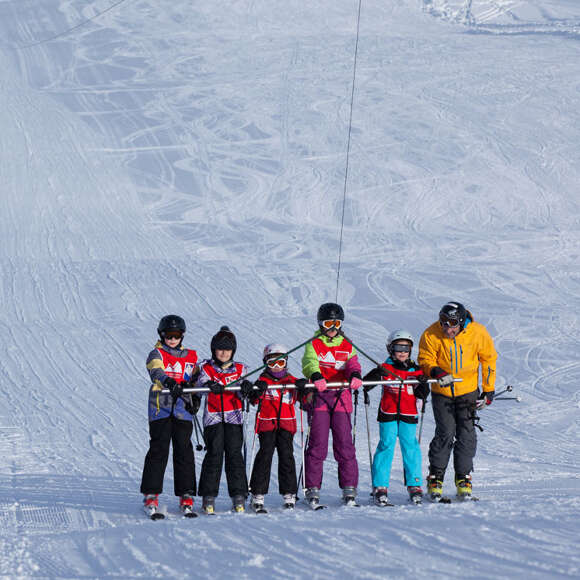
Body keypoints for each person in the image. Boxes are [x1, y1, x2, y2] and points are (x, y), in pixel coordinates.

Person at [418, 301, 497, 500]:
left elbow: (488, 359)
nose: (447, 328)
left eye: (452, 323)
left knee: (466, 433)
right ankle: (436, 475)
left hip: (467, 391)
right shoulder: (431, 333)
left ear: (461, 322)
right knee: (445, 432)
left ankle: (463, 476)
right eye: (443, 322)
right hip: (442, 391)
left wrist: (488, 390)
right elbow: (425, 358)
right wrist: (436, 371)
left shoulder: (477, 333)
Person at [301, 302, 363, 507]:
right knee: (318, 445)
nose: (333, 327)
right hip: (320, 398)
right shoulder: (314, 343)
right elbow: (309, 361)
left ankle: (349, 487)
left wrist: (354, 373)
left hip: (341, 399)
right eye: (329, 323)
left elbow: (352, 362)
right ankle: (312, 487)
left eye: (337, 323)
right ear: (321, 324)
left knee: (345, 444)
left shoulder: (346, 343)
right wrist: (315, 374)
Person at [140, 315, 201, 517]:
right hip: (161, 407)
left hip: (183, 407)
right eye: (168, 335)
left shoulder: (191, 356)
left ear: (182, 336)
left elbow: (196, 379)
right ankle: (151, 494)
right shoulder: (156, 353)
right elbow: (155, 371)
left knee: (184, 449)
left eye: (176, 335)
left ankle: (186, 494)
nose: (172, 339)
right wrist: (169, 383)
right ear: (162, 335)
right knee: (159, 448)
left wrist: (196, 398)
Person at [363, 330, 430, 506]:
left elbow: (422, 393)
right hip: (388, 413)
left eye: (406, 348)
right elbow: (366, 383)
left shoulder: (415, 370)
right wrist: (374, 376)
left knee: (411, 447)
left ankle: (414, 484)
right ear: (390, 349)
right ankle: (380, 486)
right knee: (386, 445)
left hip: (408, 414)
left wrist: (423, 385)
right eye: (398, 348)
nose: (402, 352)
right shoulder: (387, 368)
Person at [196, 326, 253, 514]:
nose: (223, 353)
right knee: (214, 454)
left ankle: (239, 494)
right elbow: (199, 381)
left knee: (234, 455)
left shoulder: (240, 369)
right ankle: (208, 495)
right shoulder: (206, 367)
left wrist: (246, 386)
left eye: (227, 349)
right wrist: (209, 384)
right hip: (213, 418)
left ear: (233, 351)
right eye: (220, 349)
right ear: (214, 350)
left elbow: (247, 383)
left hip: (234, 417)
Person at [247, 344, 308, 512]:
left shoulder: (291, 380)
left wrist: (303, 388)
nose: (276, 366)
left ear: (286, 363)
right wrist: (255, 391)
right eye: (272, 362)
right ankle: (257, 493)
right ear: (265, 362)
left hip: (286, 424)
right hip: (267, 423)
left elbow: (305, 400)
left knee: (287, 456)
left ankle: (289, 492)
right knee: (265, 455)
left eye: (280, 362)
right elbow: (252, 400)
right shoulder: (262, 381)